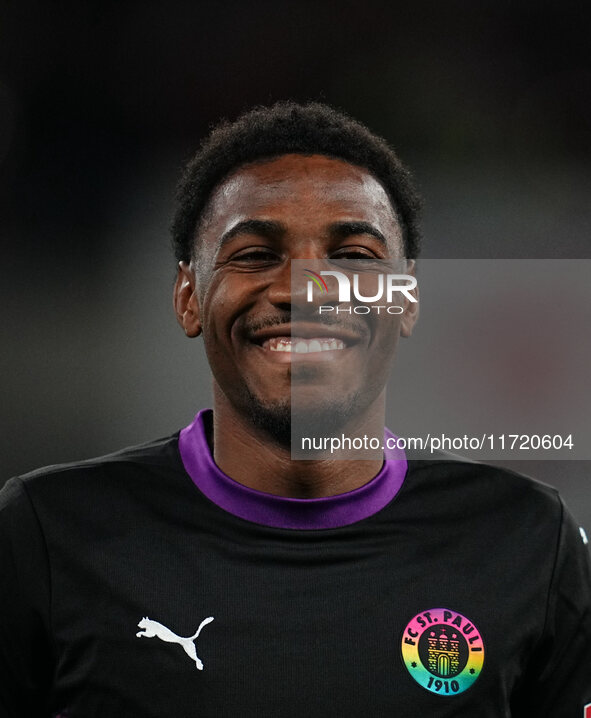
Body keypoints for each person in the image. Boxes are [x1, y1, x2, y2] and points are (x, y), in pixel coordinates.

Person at [0, 101, 589, 718]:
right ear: (187, 296)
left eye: (355, 256)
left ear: (405, 300)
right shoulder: (49, 535)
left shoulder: (526, 541)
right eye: (254, 254)